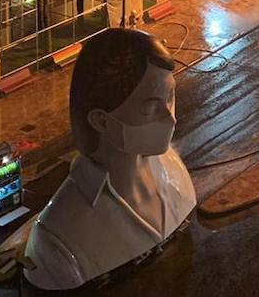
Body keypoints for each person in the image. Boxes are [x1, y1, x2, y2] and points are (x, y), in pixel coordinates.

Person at [21, 28, 195, 290]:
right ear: (101, 120)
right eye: (149, 108)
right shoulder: (57, 242)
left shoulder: (175, 171)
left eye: (170, 97)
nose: (169, 117)